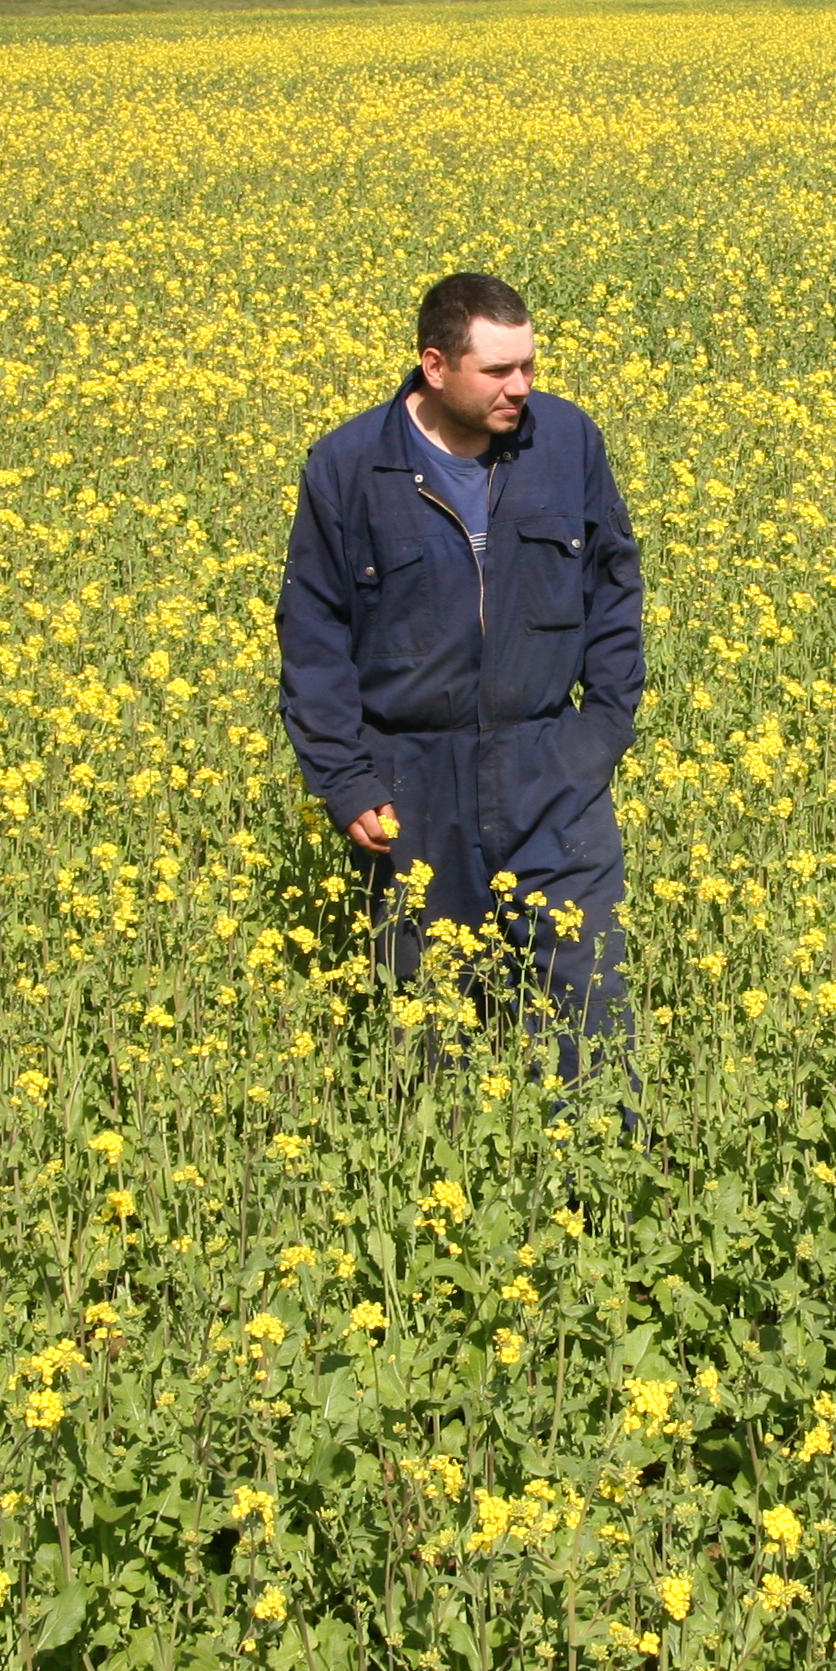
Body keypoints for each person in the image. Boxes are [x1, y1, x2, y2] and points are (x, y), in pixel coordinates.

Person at [276, 272, 645, 1074]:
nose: (522, 388)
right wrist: (343, 780)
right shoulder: (349, 468)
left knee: (589, 1015)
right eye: (499, 371)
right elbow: (312, 634)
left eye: (531, 366)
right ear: (435, 366)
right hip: (412, 785)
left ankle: (600, 1190)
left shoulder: (567, 441)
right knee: (435, 1031)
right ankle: (453, 1188)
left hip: (551, 769)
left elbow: (615, 585)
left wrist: (603, 731)